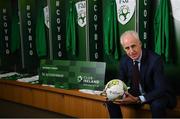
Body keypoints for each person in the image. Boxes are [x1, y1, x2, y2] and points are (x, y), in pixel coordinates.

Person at [106, 30, 176, 118]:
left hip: (157, 94)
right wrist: (111, 91)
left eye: (133, 46)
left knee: (157, 105)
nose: (131, 51)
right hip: (137, 93)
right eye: (127, 48)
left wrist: (139, 99)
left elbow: (160, 89)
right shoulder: (124, 60)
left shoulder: (155, 60)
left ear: (140, 43)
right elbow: (120, 82)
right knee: (111, 100)